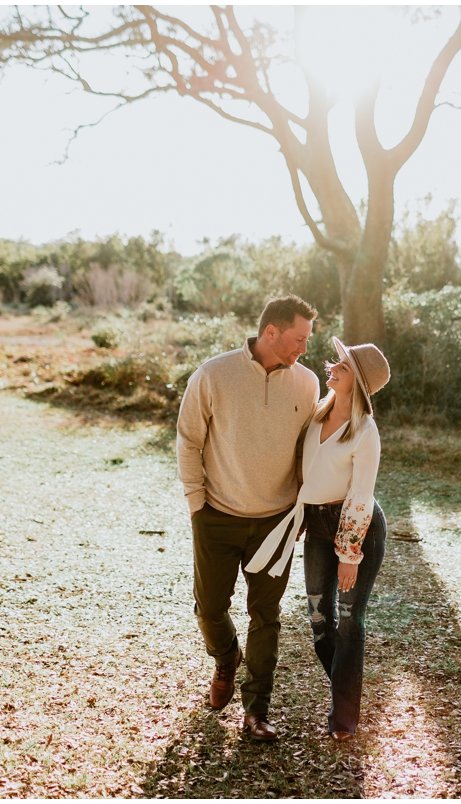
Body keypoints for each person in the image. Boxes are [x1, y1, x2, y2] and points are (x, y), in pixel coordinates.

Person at [175, 295, 320, 742]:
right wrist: (197, 503)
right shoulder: (213, 374)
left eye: (307, 341)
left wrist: (304, 509)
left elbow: (311, 449)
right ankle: (225, 660)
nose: (303, 349)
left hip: (277, 523)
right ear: (270, 332)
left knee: (267, 616)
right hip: (216, 516)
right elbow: (188, 439)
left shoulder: (308, 383)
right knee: (211, 610)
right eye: (299, 338)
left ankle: (256, 712)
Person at [249, 336, 389, 741]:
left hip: (356, 530)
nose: (332, 368)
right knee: (318, 619)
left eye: (341, 368)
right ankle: (348, 687)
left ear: (358, 385)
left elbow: (361, 496)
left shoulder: (364, 431)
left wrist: (350, 553)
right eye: (336, 363)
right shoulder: (314, 416)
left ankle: (344, 718)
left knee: (349, 621)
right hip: (317, 525)